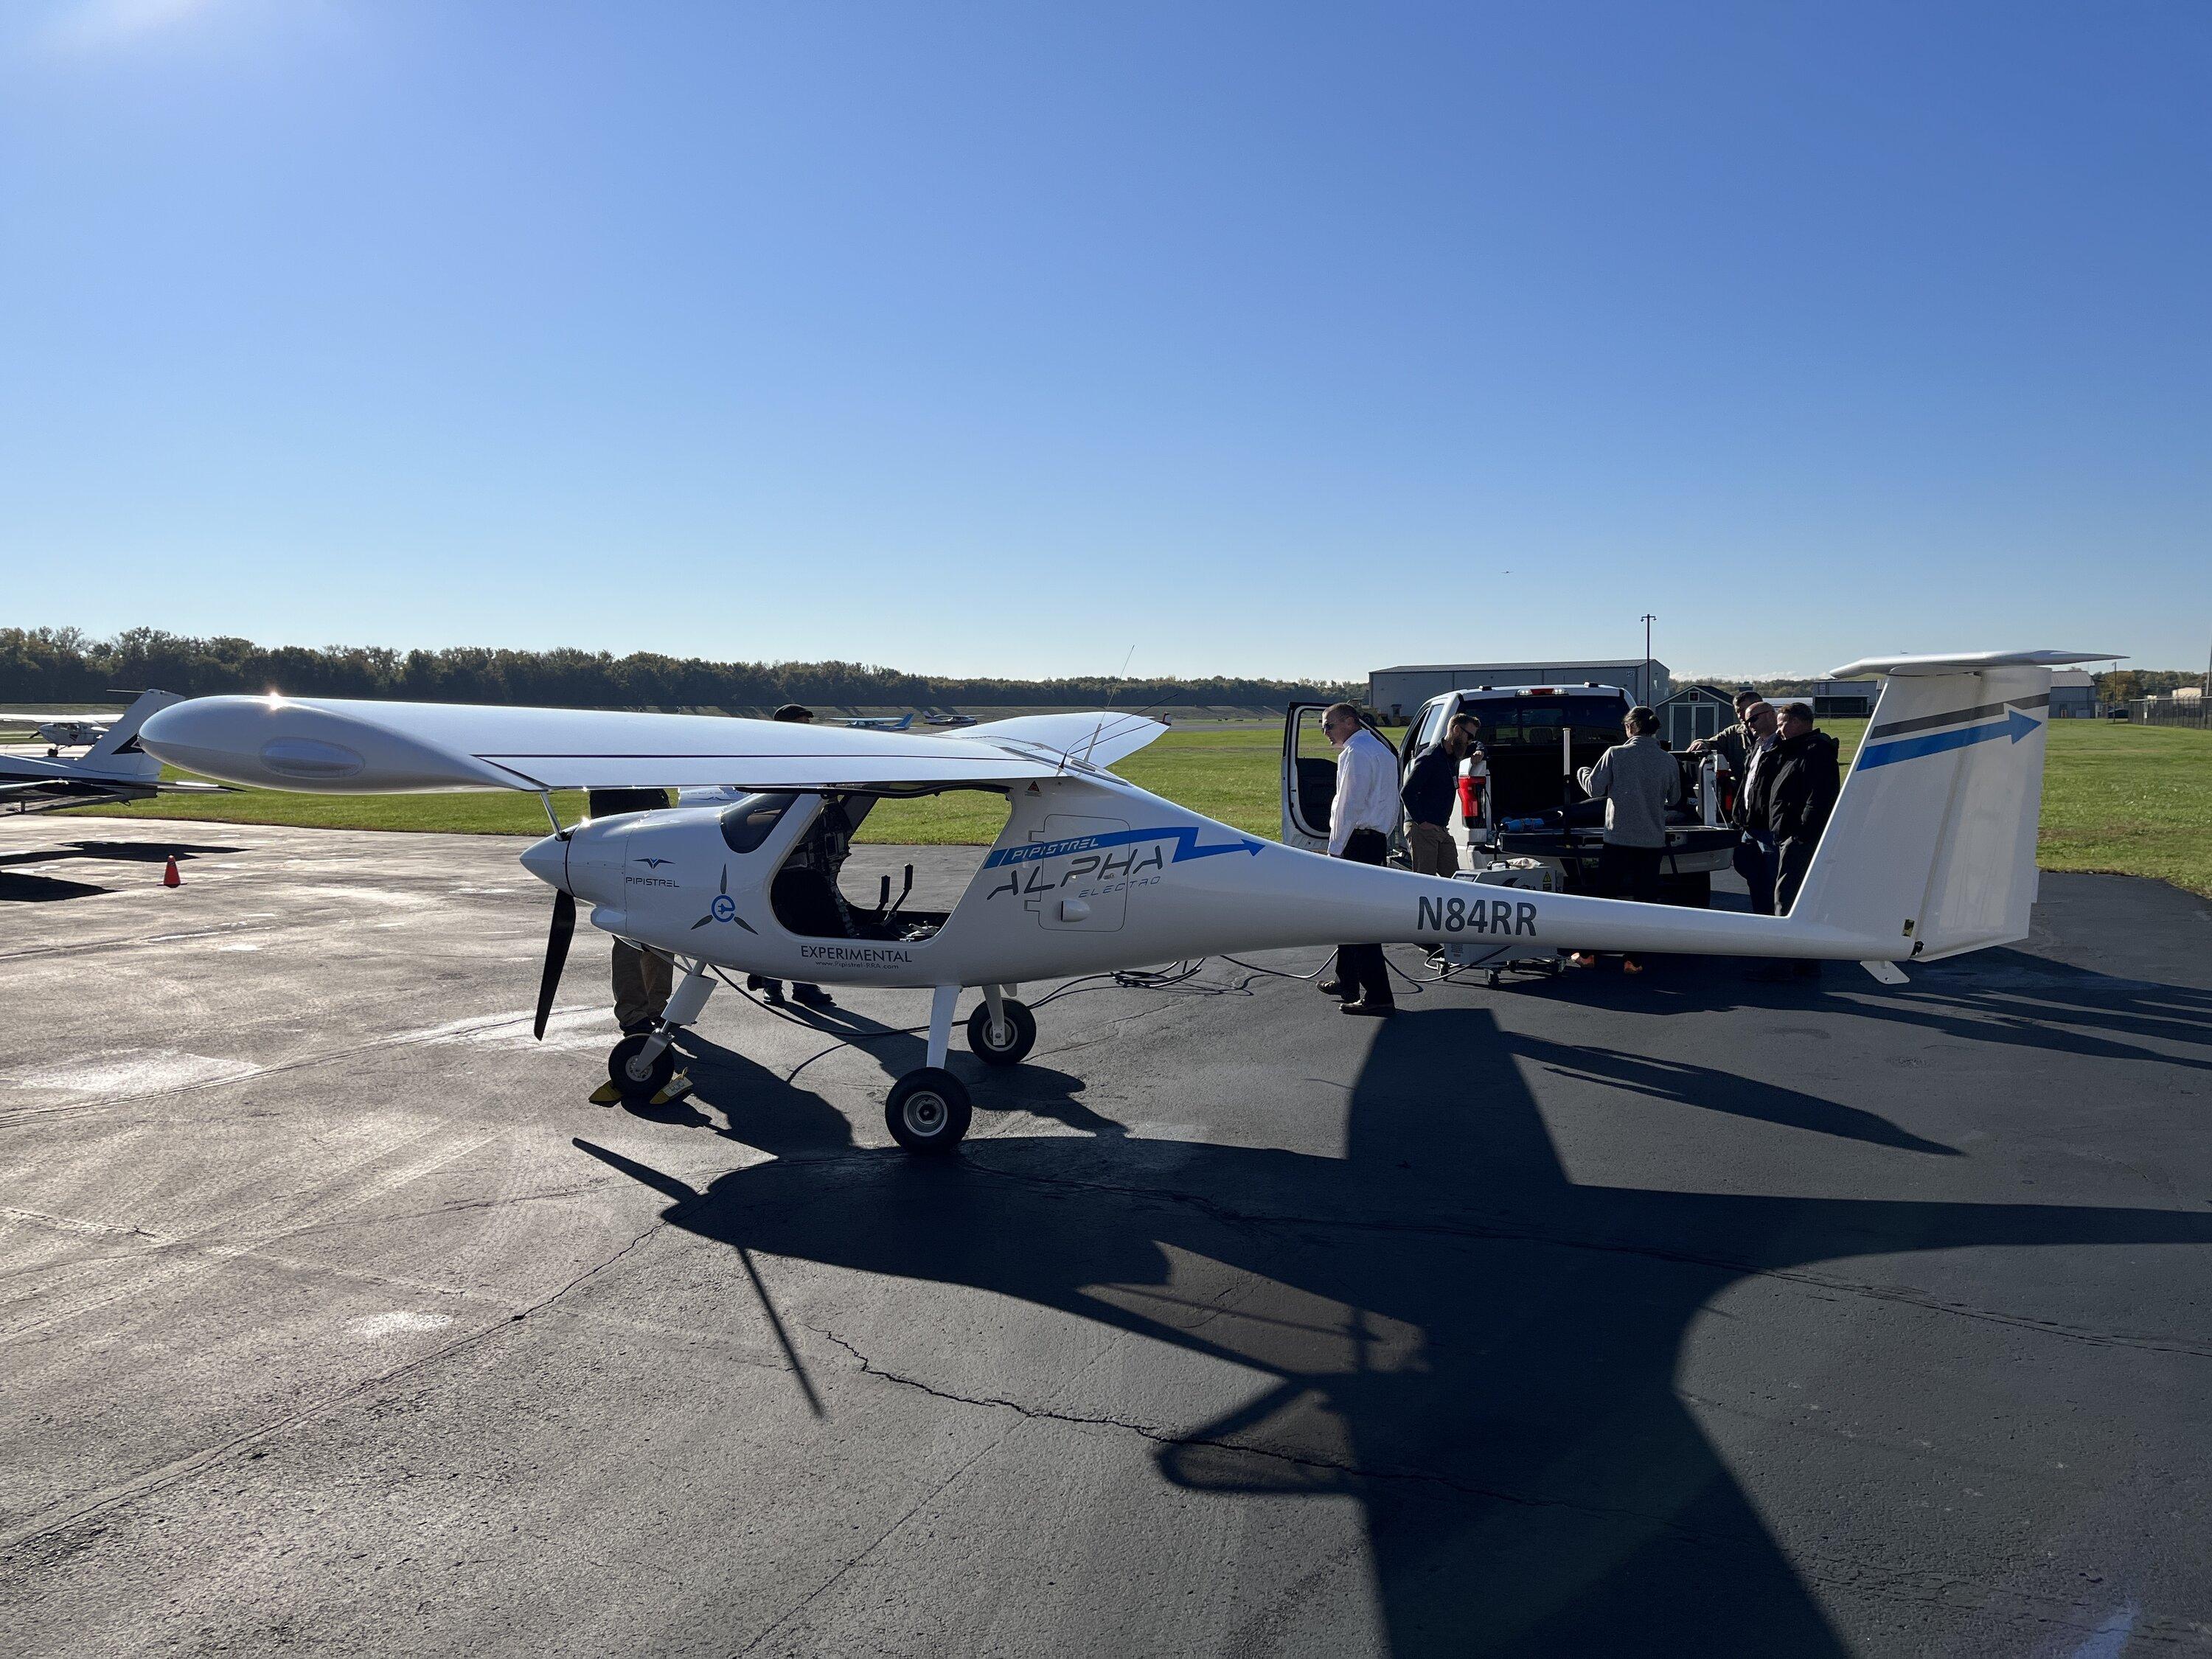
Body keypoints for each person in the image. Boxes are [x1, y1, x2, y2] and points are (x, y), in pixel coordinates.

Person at [584, 786, 679, 1105]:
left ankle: (658, 1007)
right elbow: (603, 826)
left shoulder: (654, 782)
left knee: (665, 937)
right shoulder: (610, 786)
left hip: (662, 856)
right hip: (626, 861)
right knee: (628, 941)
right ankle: (633, 1015)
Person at [1570, 706, 1681, 974]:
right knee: (1645, 901)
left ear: (1630, 728)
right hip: (1652, 842)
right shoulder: (1668, 761)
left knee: (1605, 899)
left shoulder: (1616, 754)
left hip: (1618, 839)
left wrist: (1581, 771)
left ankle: (1588, 954)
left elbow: (1595, 787)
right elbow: (1675, 798)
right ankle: (1634, 960)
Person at [750, 704, 836, 1009]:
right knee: (777, 920)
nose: (807, 730)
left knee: (803, 920)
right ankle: (772, 985)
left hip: (804, 853)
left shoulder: (807, 761)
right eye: (801, 724)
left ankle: (803, 984)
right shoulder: (770, 762)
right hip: (773, 855)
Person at [1315, 703, 1397, 1016]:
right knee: (1348, 919)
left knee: (1360, 923)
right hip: (1373, 842)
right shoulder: (1380, 751)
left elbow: (1347, 807)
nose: (1326, 732)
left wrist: (1334, 851)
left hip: (1356, 844)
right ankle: (1347, 980)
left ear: (1349, 722)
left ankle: (1378, 995)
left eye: (1329, 725)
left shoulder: (1355, 753)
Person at [1400, 712, 1481, 877]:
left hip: (1441, 829)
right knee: (1426, 880)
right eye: (1469, 736)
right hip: (1424, 828)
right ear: (1457, 730)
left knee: (1454, 878)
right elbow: (1407, 792)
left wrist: (1480, 752)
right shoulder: (1430, 758)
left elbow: (1479, 745)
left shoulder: (1454, 753)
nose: (1470, 742)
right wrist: (1421, 822)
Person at [1728, 700, 1781, 916]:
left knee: (1772, 882)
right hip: (1749, 827)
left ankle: (1775, 932)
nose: (1748, 724)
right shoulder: (1756, 746)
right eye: (1745, 720)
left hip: (1769, 828)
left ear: (1770, 715)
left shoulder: (1783, 746)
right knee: (1753, 879)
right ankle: (1759, 921)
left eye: (1753, 719)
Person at [1686, 689, 1764, 775]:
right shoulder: (1733, 733)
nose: (1740, 716)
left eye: (1744, 710)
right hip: (1743, 786)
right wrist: (1701, 743)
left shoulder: (1774, 732)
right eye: (1738, 712)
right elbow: (1713, 743)